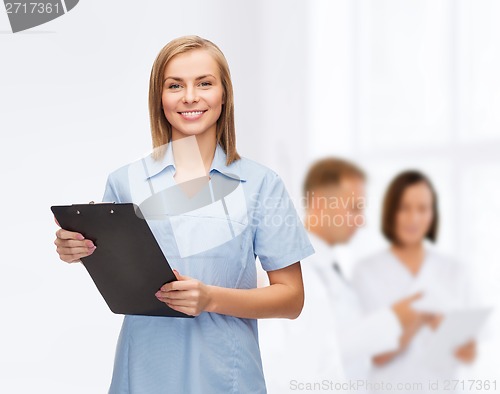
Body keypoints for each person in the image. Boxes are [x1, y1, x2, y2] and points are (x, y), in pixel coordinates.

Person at [53, 35, 314, 394]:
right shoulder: (124, 182)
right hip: (143, 372)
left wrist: (211, 299)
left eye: (204, 83)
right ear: (159, 98)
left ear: (225, 94)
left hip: (226, 377)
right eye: (175, 85)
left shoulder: (260, 184)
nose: (190, 96)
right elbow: (119, 272)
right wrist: (77, 250)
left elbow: (291, 299)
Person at [259, 158, 423, 393]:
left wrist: (395, 335)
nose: (361, 221)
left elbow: (343, 348)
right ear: (318, 204)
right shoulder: (295, 269)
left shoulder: (330, 268)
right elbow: (311, 353)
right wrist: (392, 320)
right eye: (354, 208)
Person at [352, 170, 479, 392]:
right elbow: (374, 355)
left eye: (422, 208)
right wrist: (419, 318)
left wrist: (441, 327)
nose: (413, 218)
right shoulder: (366, 271)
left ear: (433, 214)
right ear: (391, 212)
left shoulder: (455, 271)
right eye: (404, 208)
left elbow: (468, 354)